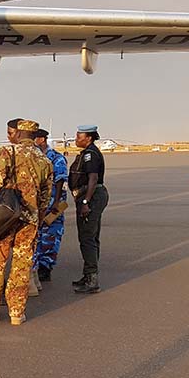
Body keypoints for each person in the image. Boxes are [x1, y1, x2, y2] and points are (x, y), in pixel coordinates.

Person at [0, 119, 52, 325]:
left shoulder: (7, 153)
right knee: (21, 266)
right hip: (29, 221)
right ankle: (16, 313)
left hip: (4, 217)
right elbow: (45, 197)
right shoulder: (45, 161)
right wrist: (37, 217)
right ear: (34, 136)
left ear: (18, 134)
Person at [68, 125, 108, 294]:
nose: (76, 139)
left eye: (79, 136)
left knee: (87, 238)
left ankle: (92, 279)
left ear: (89, 138)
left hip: (92, 197)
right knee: (90, 237)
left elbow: (93, 178)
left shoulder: (90, 155)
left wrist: (85, 201)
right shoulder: (87, 152)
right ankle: (89, 275)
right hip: (92, 196)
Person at [34, 128, 68, 282]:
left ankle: (45, 267)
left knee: (51, 236)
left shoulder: (56, 158)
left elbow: (60, 180)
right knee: (37, 236)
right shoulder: (33, 157)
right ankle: (36, 266)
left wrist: (56, 202)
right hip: (36, 205)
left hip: (52, 203)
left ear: (41, 139)